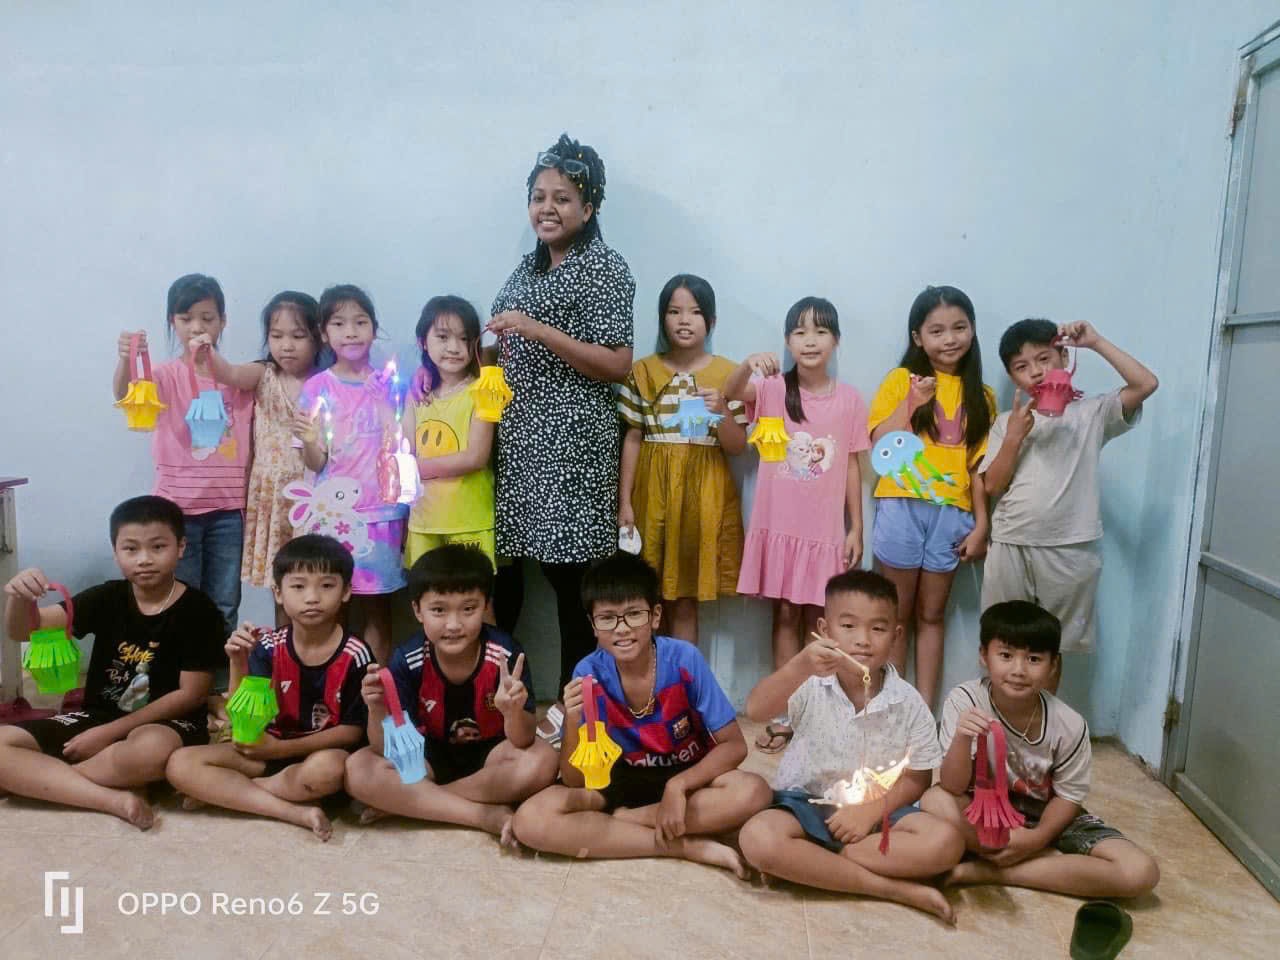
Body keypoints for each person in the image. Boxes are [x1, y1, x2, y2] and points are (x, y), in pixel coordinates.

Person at [486, 133, 636, 744]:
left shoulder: (605, 267)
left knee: (574, 583)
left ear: (589, 206)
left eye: (563, 198)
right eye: (539, 197)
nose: (547, 208)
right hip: (519, 442)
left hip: (573, 447)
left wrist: (535, 328)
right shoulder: (529, 266)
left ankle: (581, 712)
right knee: (508, 574)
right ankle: (500, 703)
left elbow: (618, 363)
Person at [511, 552, 771, 876]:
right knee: (531, 819)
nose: (622, 629)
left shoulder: (684, 659)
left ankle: (629, 822)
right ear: (593, 626)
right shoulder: (588, 673)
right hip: (619, 778)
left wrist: (678, 786)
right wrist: (574, 719)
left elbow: (734, 746)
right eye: (608, 618)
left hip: (686, 774)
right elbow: (577, 781)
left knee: (754, 792)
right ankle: (682, 846)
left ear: (655, 616)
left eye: (634, 614)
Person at [739, 570, 964, 921]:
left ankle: (812, 866)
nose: (863, 640)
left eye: (878, 629)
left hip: (876, 813)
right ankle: (891, 889)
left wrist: (869, 812)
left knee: (946, 842)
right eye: (848, 626)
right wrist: (799, 664)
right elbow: (756, 710)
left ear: (896, 635)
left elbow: (917, 779)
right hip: (807, 805)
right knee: (758, 837)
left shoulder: (909, 701)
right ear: (824, 630)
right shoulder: (809, 683)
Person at [0, 496, 224, 829]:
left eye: (158, 547)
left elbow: (191, 695)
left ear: (181, 547)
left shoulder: (199, 610)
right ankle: (111, 798)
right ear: (116, 552)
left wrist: (107, 734)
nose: (144, 559)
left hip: (168, 723)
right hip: (98, 715)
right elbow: (23, 631)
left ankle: (43, 781)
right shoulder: (107, 597)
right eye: (131, 549)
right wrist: (20, 597)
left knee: (150, 751)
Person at [921, 601, 1159, 899]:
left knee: (1140, 872)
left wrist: (1036, 839)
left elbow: (1068, 797)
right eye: (1006, 656)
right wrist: (961, 738)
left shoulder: (1070, 724)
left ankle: (992, 871)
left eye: (1034, 659)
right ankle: (1036, 863)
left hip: (1047, 816)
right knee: (934, 800)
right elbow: (952, 785)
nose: (1018, 670)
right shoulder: (966, 700)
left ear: (1053, 665)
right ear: (984, 655)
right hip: (986, 812)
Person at [724, 297, 869, 753]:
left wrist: (856, 527)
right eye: (800, 332)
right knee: (785, 613)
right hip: (779, 523)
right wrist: (746, 365)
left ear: (836, 341)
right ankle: (786, 713)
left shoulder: (849, 400)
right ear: (788, 341)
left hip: (823, 531)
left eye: (820, 331)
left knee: (821, 621)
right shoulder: (771, 389)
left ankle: (819, 712)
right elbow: (729, 394)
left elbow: (851, 465)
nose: (810, 340)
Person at [979, 320, 1158, 683]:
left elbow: (1146, 384)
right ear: (1013, 378)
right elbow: (993, 485)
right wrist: (1013, 437)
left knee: (1051, 648)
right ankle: (1001, 719)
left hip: (1070, 548)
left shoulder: (1092, 413)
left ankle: (1044, 720)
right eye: (1021, 366)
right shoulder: (1007, 422)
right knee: (1002, 641)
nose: (1035, 371)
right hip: (1012, 541)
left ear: (1064, 357)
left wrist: (1095, 342)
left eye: (1043, 358)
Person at [344, 545, 557, 840]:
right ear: (417, 610)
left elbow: (522, 740)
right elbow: (386, 750)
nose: (454, 625)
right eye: (439, 610)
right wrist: (376, 708)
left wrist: (513, 712)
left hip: (491, 758)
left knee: (543, 760)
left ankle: (414, 803)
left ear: (486, 606)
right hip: (425, 757)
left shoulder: (504, 653)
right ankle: (481, 815)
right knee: (358, 768)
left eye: (468, 609)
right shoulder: (408, 659)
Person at [165, 535, 370, 840]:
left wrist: (281, 749)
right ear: (278, 593)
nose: (312, 597)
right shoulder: (269, 647)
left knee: (328, 771)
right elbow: (243, 723)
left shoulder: (356, 653)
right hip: (264, 751)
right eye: (298, 586)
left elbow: (352, 732)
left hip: (317, 754)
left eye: (326, 586)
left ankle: (228, 793)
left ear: (346, 591)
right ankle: (292, 812)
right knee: (180, 764)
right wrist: (238, 662)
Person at [867, 285, 995, 708]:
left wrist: (981, 526)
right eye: (936, 331)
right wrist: (911, 402)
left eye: (959, 327)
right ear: (918, 337)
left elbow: (978, 470)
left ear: (972, 330)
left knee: (932, 615)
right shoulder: (901, 380)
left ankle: (922, 713)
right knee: (895, 617)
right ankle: (891, 709)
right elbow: (879, 443)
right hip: (901, 504)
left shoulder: (983, 397)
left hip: (952, 514)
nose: (950, 339)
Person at [112, 274, 254, 635]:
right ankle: (181, 666)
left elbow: (259, 380)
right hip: (177, 511)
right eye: (186, 318)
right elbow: (127, 394)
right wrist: (126, 360)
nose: (197, 327)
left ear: (223, 322)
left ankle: (220, 667)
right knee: (181, 598)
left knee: (224, 602)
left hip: (228, 511)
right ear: (172, 322)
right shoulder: (164, 375)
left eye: (208, 318)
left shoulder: (237, 379)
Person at [616, 273, 747, 645]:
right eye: (674, 311)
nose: (684, 320)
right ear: (662, 319)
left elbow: (737, 446)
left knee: (686, 600)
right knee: (647, 596)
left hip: (702, 495)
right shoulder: (642, 372)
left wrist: (721, 409)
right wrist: (625, 502)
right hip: (652, 493)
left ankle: (684, 679)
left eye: (695, 312)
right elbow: (633, 437)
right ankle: (646, 677)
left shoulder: (728, 375)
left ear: (712, 321)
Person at [188, 291, 326, 604]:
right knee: (283, 584)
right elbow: (229, 374)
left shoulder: (325, 382)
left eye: (297, 336)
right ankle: (282, 635)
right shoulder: (264, 374)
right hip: (271, 493)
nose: (286, 345)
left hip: (312, 492)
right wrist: (208, 351)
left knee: (315, 575)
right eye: (276, 336)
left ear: (317, 338)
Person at [295, 284, 408, 664]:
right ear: (324, 333)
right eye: (339, 324)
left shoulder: (390, 384)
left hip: (382, 513)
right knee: (332, 606)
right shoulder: (316, 387)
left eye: (360, 322)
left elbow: (401, 446)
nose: (351, 332)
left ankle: (377, 687)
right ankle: (337, 687)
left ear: (374, 329)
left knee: (378, 609)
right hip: (333, 517)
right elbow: (315, 462)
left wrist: (382, 402)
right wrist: (308, 441)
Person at [404, 295, 495, 568]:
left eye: (464, 339)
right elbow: (404, 449)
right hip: (423, 520)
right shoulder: (416, 395)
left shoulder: (484, 391)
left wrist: (412, 469)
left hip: (470, 519)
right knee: (425, 591)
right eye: (443, 337)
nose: (454, 348)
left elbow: (475, 458)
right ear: (423, 341)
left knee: (474, 591)